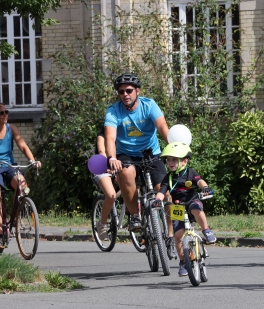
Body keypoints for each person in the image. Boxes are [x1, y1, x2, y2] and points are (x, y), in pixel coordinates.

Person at [104, 73, 175, 254]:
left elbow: (162, 127)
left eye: (129, 90)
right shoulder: (113, 111)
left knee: (164, 192)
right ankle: (134, 216)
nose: (125, 94)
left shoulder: (149, 105)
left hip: (151, 154)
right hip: (126, 155)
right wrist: (112, 158)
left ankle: (171, 235)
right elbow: (110, 138)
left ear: (137, 91)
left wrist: (174, 148)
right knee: (126, 174)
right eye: (121, 92)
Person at [0, 101, 41, 249]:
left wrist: (32, 161)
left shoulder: (11, 128)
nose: (5, 115)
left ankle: (15, 218)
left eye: (6, 112)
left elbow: (23, 146)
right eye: (1, 113)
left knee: (22, 185)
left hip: (8, 166)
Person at [152, 142, 216, 276]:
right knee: (178, 235)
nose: (171, 162)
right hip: (178, 207)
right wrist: (158, 200)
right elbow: (162, 190)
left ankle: (206, 230)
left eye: (174, 159)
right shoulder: (168, 177)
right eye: (168, 160)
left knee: (197, 209)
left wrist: (205, 188)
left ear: (185, 160)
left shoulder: (190, 172)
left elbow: (199, 181)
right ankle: (183, 262)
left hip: (191, 200)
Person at [92, 128, 117, 241]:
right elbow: (102, 152)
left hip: (118, 167)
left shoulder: (124, 134)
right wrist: (108, 167)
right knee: (111, 195)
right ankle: (102, 224)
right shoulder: (101, 135)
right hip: (101, 167)